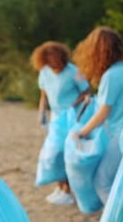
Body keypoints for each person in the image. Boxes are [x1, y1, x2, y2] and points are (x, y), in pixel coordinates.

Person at [71, 26, 123, 205]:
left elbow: (104, 112)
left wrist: (82, 132)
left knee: (102, 182)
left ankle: (119, 216)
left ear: (97, 52)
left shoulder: (111, 75)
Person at [30, 41, 90, 205]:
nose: (53, 61)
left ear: (62, 55)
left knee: (68, 153)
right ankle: (60, 187)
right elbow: (44, 95)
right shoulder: (44, 72)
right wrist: (41, 111)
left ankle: (67, 191)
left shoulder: (74, 72)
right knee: (54, 153)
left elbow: (86, 92)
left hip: (73, 118)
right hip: (55, 118)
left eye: (55, 56)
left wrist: (74, 105)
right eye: (48, 58)